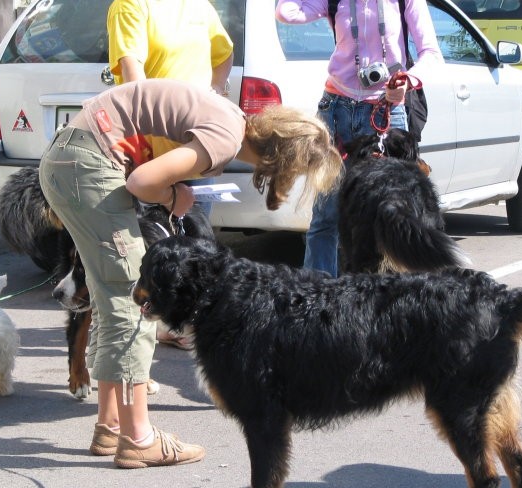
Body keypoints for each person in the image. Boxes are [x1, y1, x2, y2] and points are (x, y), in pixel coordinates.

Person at [38, 78, 342, 468]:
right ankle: (138, 438)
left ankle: (110, 427)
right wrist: (173, 196)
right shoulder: (224, 139)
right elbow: (142, 181)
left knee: (110, 296)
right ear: (279, 162)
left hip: (71, 158)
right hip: (87, 164)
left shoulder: (231, 117)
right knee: (133, 302)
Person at [276, 0, 443, 277]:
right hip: (336, 109)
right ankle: (318, 301)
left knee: (393, 213)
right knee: (325, 217)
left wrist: (407, 81)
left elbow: (432, 54)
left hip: (385, 111)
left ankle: (398, 299)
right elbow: (286, 12)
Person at [107, 0, 234, 349]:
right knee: (153, 251)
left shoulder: (198, 4)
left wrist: (215, 93)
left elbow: (223, 55)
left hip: (196, 147)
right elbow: (136, 86)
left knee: (194, 246)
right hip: (151, 155)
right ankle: (153, 326)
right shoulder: (129, 5)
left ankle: (185, 322)